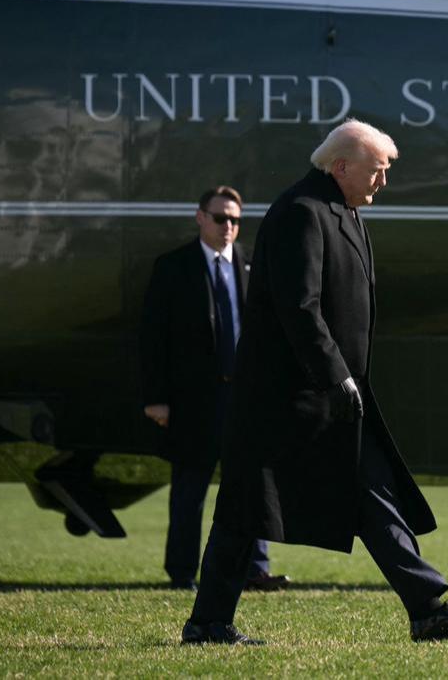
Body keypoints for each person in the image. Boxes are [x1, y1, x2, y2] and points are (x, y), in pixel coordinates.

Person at [181, 121, 448, 645]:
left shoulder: (342, 209)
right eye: (378, 171)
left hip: (329, 395)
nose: (383, 183)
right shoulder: (303, 212)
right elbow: (299, 307)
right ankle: (207, 622)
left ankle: (428, 609)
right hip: (286, 397)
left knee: (373, 493)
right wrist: (335, 374)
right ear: (342, 166)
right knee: (244, 508)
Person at [141, 186, 290, 592]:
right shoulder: (173, 267)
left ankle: (255, 569)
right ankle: (182, 573)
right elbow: (154, 339)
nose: (229, 227)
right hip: (194, 402)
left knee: (253, 489)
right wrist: (156, 397)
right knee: (190, 492)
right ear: (200, 217)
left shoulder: (250, 266)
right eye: (221, 218)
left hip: (244, 400)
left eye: (236, 220)